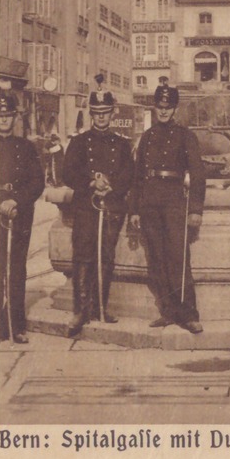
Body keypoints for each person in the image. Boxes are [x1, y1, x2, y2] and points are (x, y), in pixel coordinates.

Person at [129, 81, 206, 333]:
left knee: (178, 257)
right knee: (157, 259)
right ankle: (168, 312)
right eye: (159, 106)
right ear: (154, 107)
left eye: (168, 107)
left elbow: (197, 174)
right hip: (150, 201)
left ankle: (189, 313)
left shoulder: (186, 136)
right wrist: (135, 210)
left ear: (175, 109)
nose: (163, 111)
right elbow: (137, 176)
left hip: (174, 200)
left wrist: (195, 209)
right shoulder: (147, 137)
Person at [62, 77, 134, 337]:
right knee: (83, 255)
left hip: (111, 207)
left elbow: (130, 173)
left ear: (112, 113)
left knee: (106, 257)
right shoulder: (79, 143)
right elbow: (67, 172)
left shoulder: (122, 144)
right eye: (96, 113)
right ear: (91, 113)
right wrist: (92, 182)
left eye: (105, 112)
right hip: (86, 207)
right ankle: (81, 309)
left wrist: (111, 183)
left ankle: (101, 306)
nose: (101, 117)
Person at [0, 87, 44, 344]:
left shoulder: (26, 147)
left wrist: (16, 200)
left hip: (20, 213)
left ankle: (16, 325)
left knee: (17, 268)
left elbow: (37, 182)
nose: (3, 119)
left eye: (8, 115)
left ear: (16, 117)